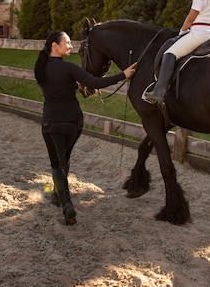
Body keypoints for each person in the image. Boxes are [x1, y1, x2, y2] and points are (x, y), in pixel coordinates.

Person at [34, 30, 136, 225]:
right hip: (74, 122)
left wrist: (75, 86)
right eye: (68, 43)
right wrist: (123, 74)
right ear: (55, 45)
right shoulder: (70, 69)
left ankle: (65, 203)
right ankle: (58, 195)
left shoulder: (40, 69)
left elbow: (56, 86)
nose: (71, 46)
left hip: (51, 123)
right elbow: (96, 82)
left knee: (57, 164)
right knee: (64, 159)